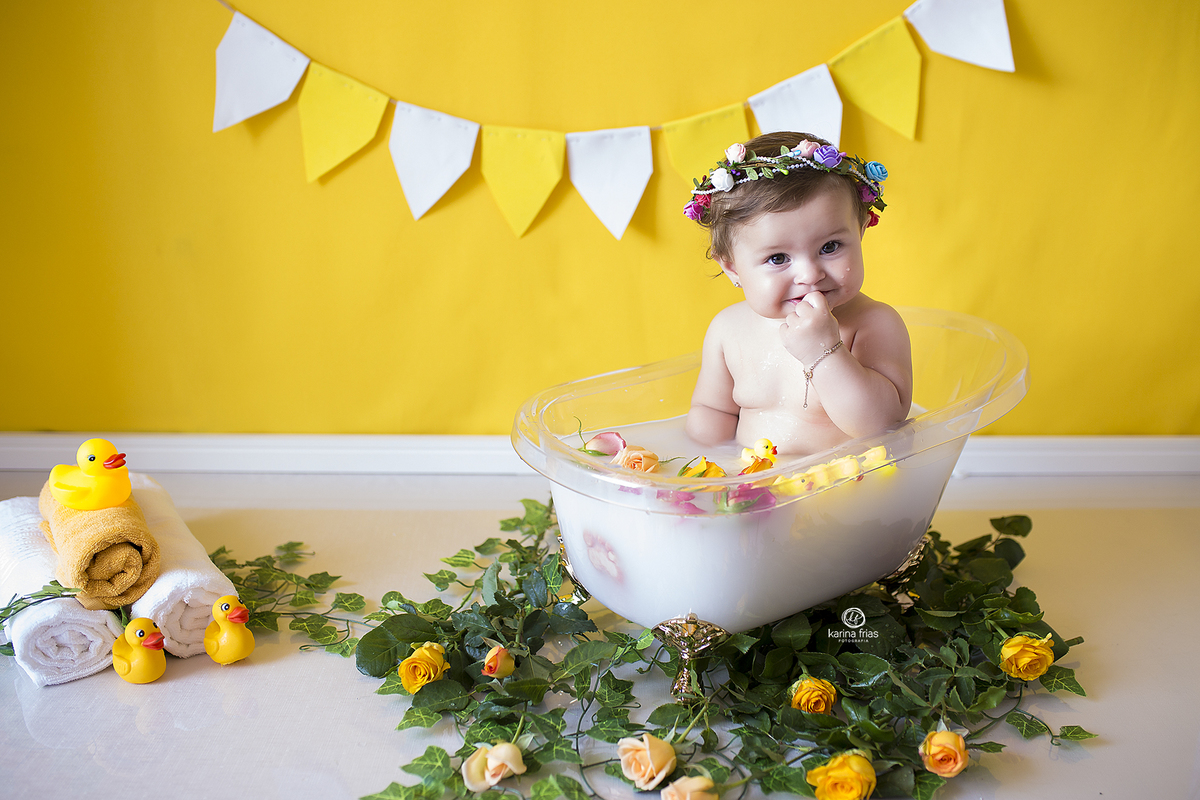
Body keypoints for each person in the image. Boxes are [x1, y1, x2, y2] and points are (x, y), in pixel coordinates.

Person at [683, 131, 912, 456]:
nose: (809, 275)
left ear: (860, 233)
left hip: (845, 493)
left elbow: (882, 426)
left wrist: (826, 351)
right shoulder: (728, 330)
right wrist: (704, 472)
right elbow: (712, 412)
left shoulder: (874, 324)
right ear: (733, 268)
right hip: (753, 490)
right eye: (778, 258)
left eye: (830, 247)